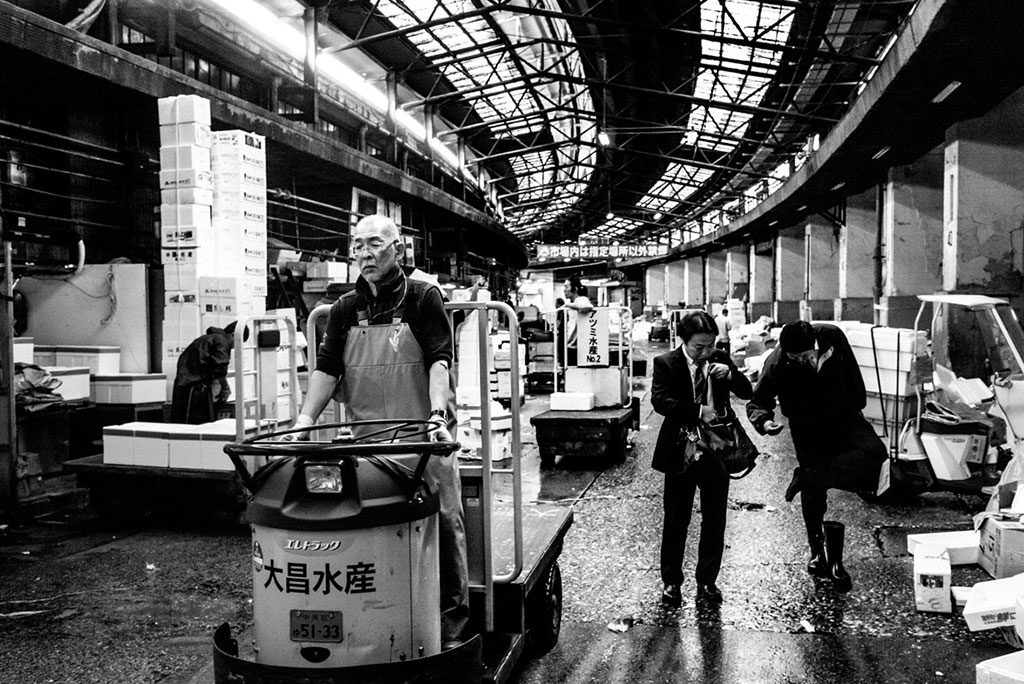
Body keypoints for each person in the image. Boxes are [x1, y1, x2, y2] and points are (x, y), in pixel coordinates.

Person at [287, 214, 470, 647]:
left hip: (424, 439)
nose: (364, 254)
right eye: (357, 246)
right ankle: (377, 618)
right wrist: (304, 421)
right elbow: (327, 370)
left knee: (444, 523)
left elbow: (439, 360)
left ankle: (452, 622)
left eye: (374, 244)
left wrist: (437, 415)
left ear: (398, 250)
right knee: (371, 529)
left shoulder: (423, 297)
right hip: (368, 444)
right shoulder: (345, 309)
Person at [746, 320, 887, 592]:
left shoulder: (831, 336)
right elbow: (758, 400)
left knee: (874, 452)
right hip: (807, 425)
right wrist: (765, 421)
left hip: (844, 415)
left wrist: (856, 404)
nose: (802, 360)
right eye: (795, 357)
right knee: (814, 494)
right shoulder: (777, 361)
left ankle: (807, 476)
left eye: (805, 355)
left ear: (814, 343)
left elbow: (852, 373)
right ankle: (819, 554)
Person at [651, 311, 753, 606]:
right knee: (676, 518)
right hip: (680, 450)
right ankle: (672, 582)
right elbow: (660, 400)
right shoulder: (666, 363)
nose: (706, 352)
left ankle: (707, 581)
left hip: (716, 450)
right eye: (699, 347)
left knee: (715, 518)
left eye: (711, 345)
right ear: (684, 341)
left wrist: (730, 375)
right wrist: (697, 411)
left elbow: (747, 391)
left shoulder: (719, 358)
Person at [170, 320, 245, 424]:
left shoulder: (207, 338)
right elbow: (220, 368)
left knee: (183, 424)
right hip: (194, 390)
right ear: (233, 335)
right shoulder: (222, 341)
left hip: (184, 387)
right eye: (237, 343)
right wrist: (225, 388)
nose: (233, 347)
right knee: (198, 425)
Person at [561, 277, 593, 365]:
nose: (564, 290)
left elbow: (587, 306)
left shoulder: (581, 299)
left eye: (566, 287)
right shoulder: (573, 303)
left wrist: (568, 305)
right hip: (570, 346)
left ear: (575, 289)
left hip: (577, 348)